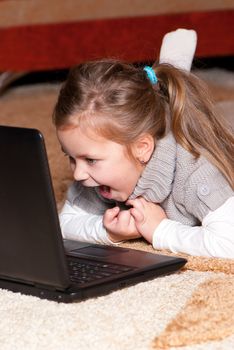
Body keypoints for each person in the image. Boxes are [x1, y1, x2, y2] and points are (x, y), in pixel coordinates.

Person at [53, 29, 234, 259]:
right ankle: (167, 80)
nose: (78, 174)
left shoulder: (196, 173)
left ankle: (173, 70)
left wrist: (161, 230)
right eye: (71, 157)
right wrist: (107, 231)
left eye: (90, 160)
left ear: (142, 148)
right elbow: (63, 223)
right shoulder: (97, 177)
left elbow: (229, 243)